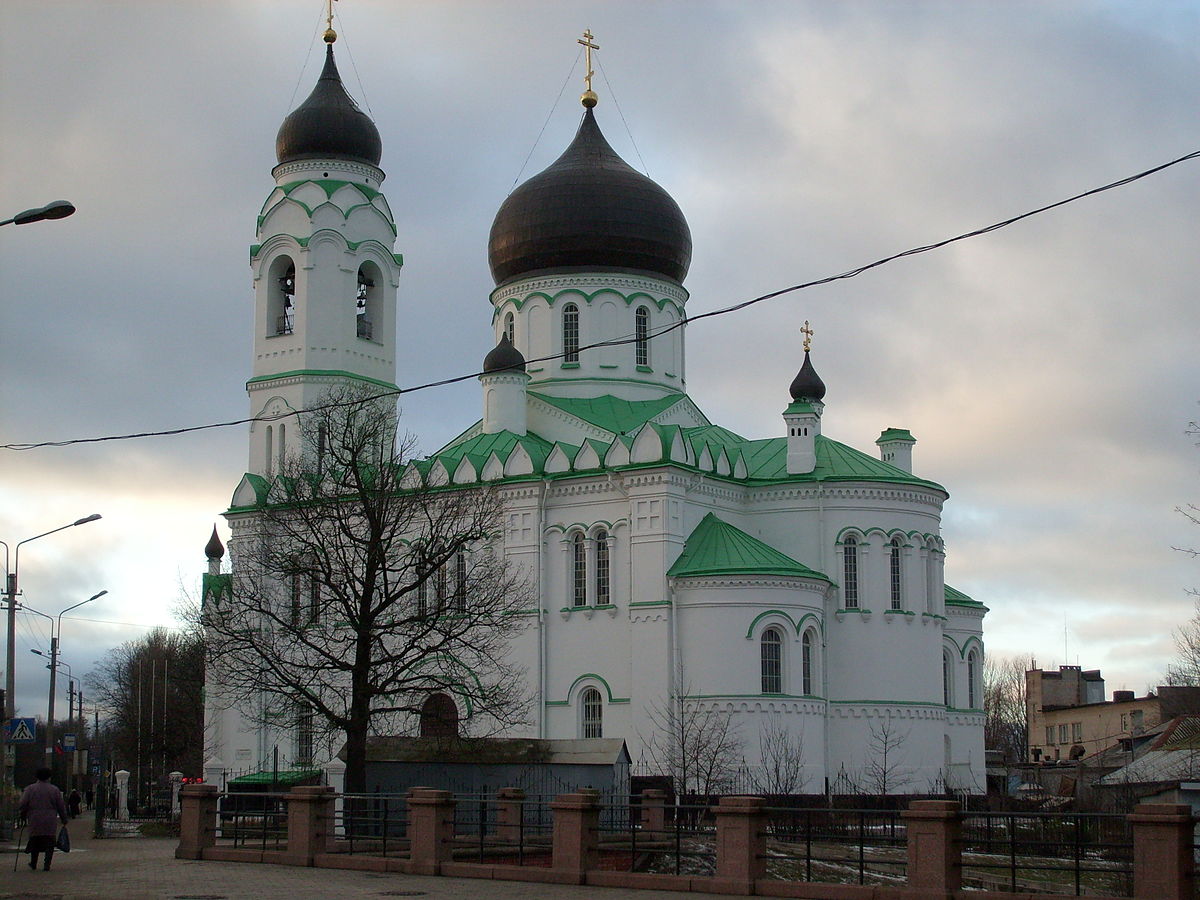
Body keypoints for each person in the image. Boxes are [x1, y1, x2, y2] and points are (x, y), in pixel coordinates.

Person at [19, 767, 69, 871]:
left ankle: (33, 863)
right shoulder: (54, 790)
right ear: (49, 777)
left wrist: (23, 815)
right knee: (49, 842)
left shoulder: (30, 789)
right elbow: (61, 806)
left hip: (34, 818)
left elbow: (23, 804)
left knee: (34, 841)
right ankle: (47, 864)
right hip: (50, 819)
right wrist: (64, 819)